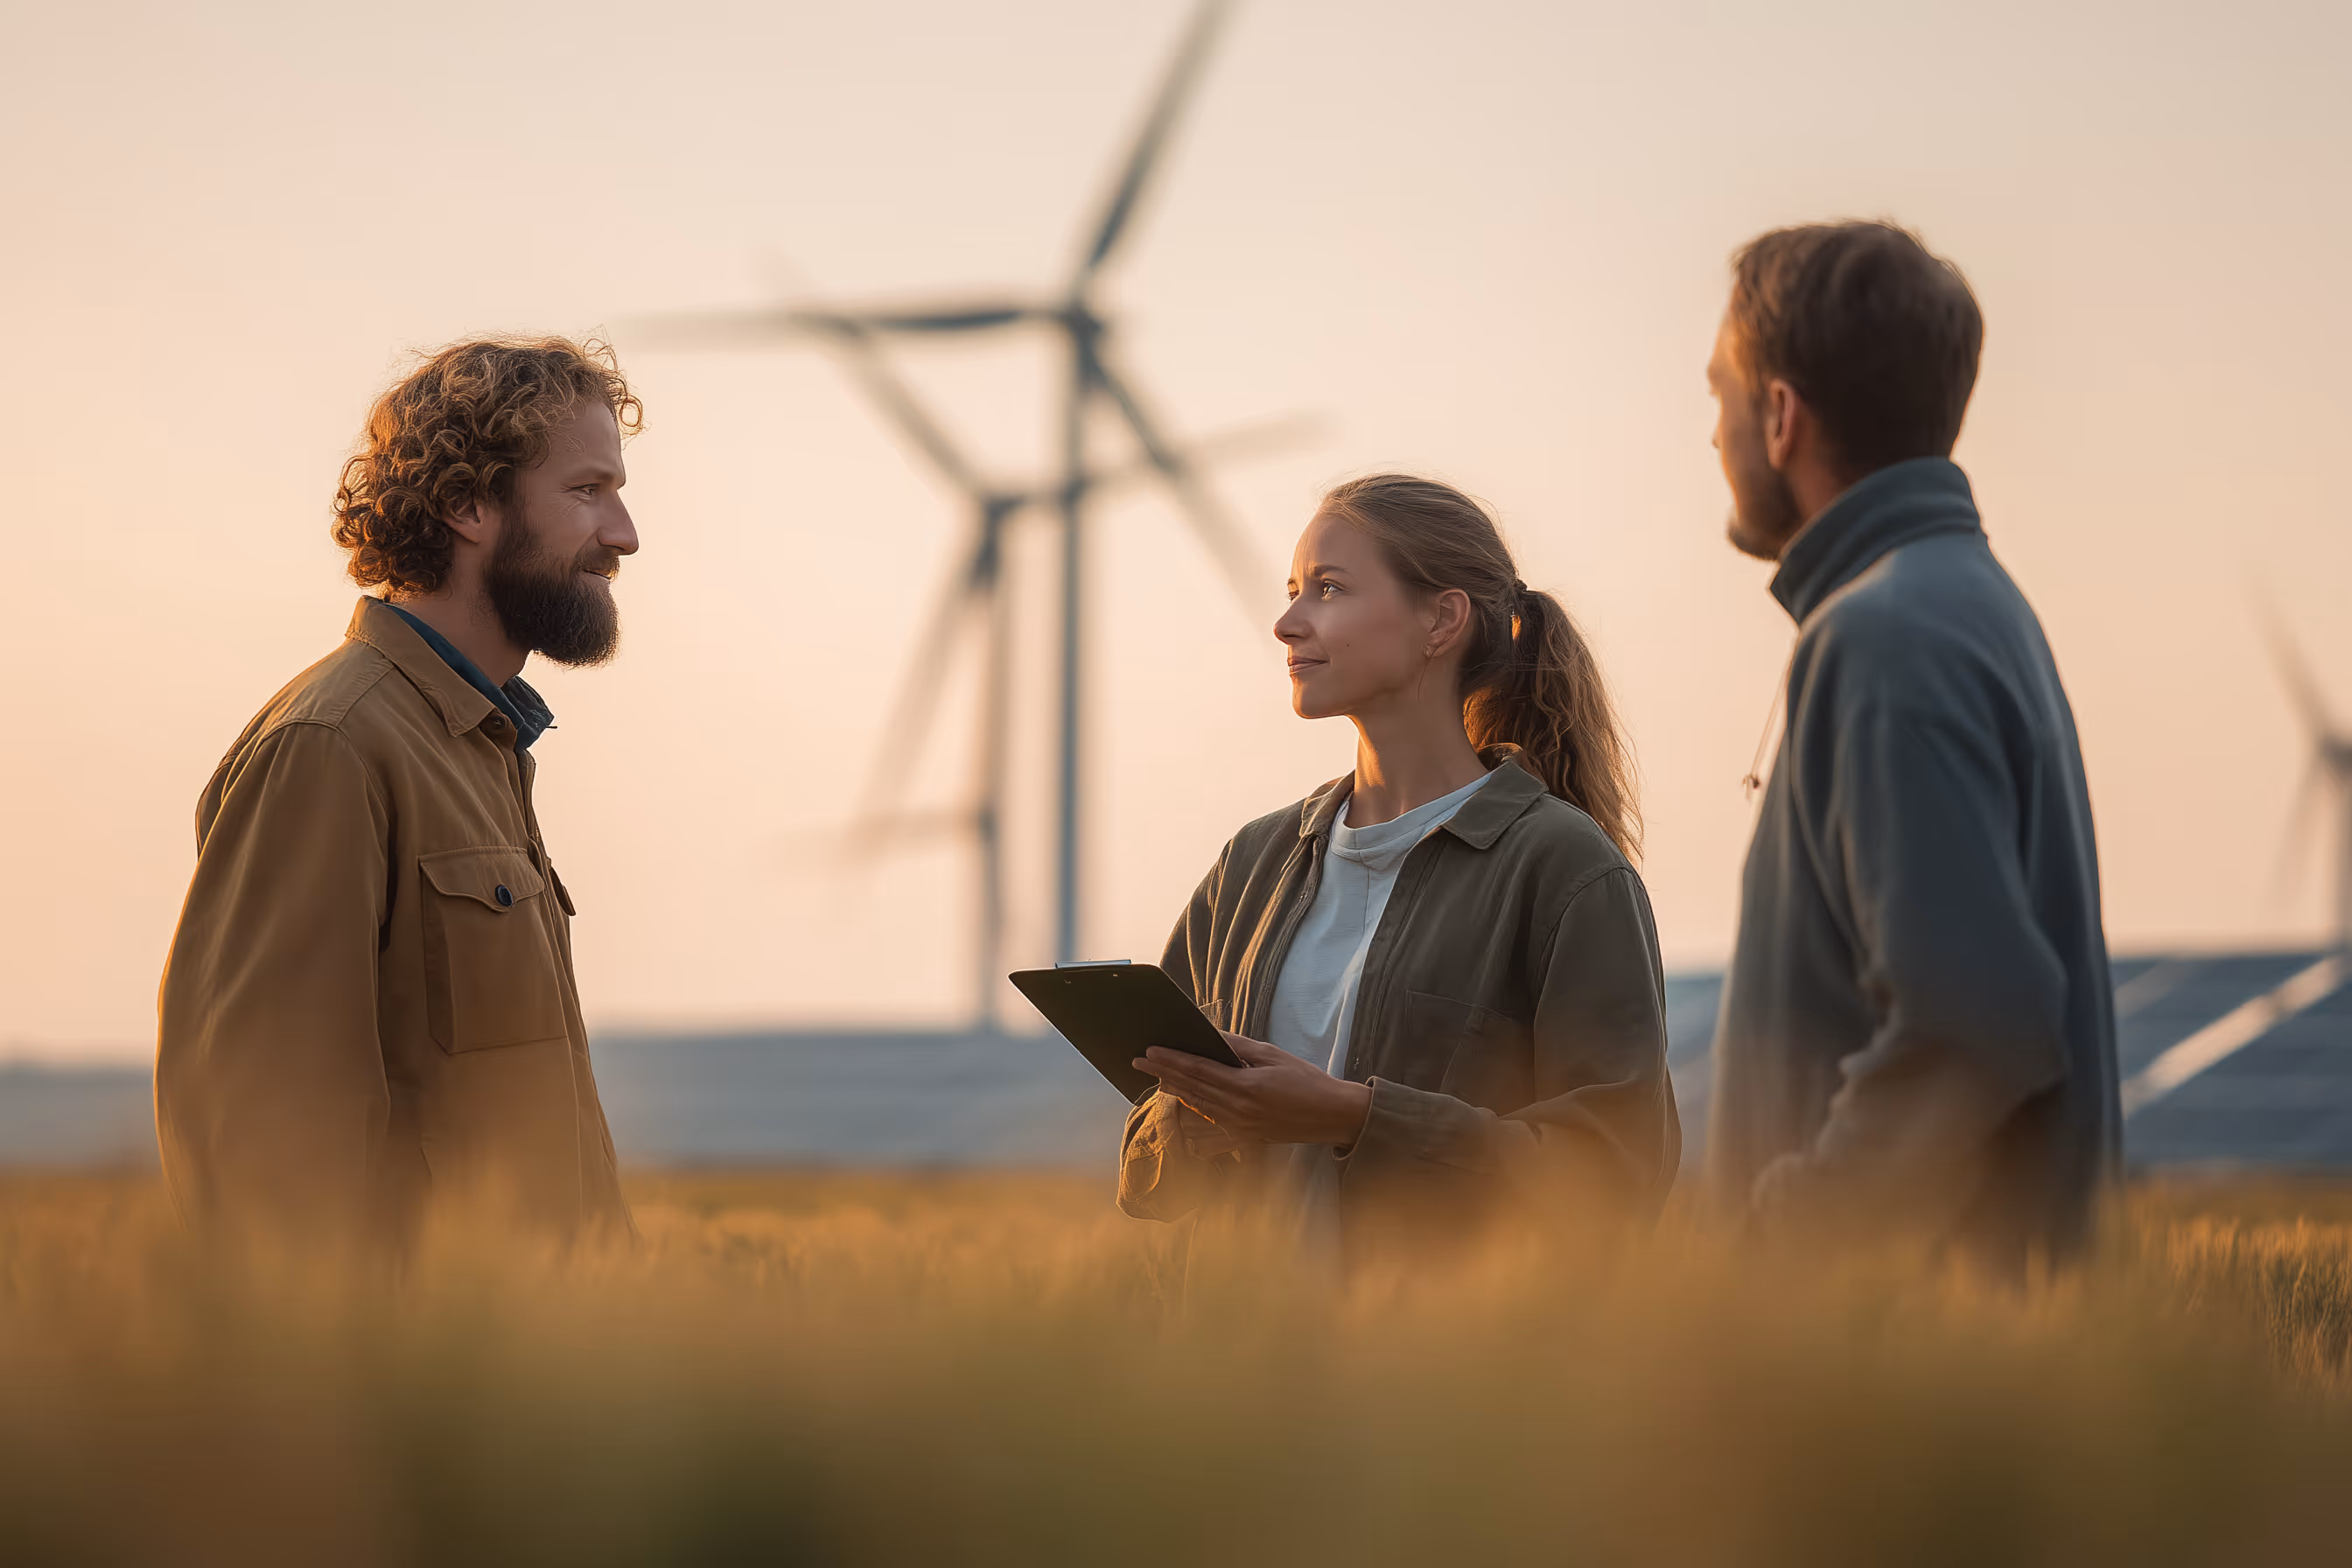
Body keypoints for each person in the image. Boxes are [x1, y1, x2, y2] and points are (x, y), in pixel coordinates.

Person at [155, 336, 642, 1248]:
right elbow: (262, 1145)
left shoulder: (478, 749)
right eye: (587, 492)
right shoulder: (330, 747)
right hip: (426, 1382)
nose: (624, 532)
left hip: (547, 1373)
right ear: (467, 505)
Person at [1119, 474, 1681, 1261]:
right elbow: (1149, 1177)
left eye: (1329, 588)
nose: (1286, 623)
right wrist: (1193, 1117)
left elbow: (1616, 1177)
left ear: (1441, 619)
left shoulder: (1564, 870)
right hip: (1237, 1371)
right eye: (1292, 591)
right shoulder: (1251, 863)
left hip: (1438, 1375)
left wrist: (1352, 1117)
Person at [1702, 222, 2118, 1269]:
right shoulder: (1961, 604)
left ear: (1781, 415)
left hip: (1890, 1376)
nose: (1710, 435)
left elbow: (1976, 1027)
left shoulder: (1888, 637)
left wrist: (1767, 1257)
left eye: (1720, 395)